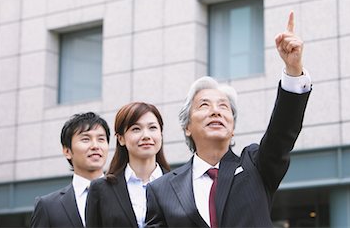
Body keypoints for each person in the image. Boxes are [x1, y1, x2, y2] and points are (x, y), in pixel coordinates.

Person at [145, 11, 312, 227]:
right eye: (204, 105)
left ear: (232, 128)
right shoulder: (162, 189)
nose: (216, 111)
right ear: (187, 126)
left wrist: (293, 70)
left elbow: (282, 133)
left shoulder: (255, 165)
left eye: (223, 107)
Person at [85, 102, 170, 228]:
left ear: (161, 134)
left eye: (152, 128)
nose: (146, 136)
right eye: (136, 129)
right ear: (121, 139)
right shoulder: (101, 189)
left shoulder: (178, 184)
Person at [30, 112, 111, 228]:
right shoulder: (48, 206)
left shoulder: (126, 195)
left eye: (101, 139)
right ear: (67, 151)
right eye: (85, 139)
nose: (95, 146)